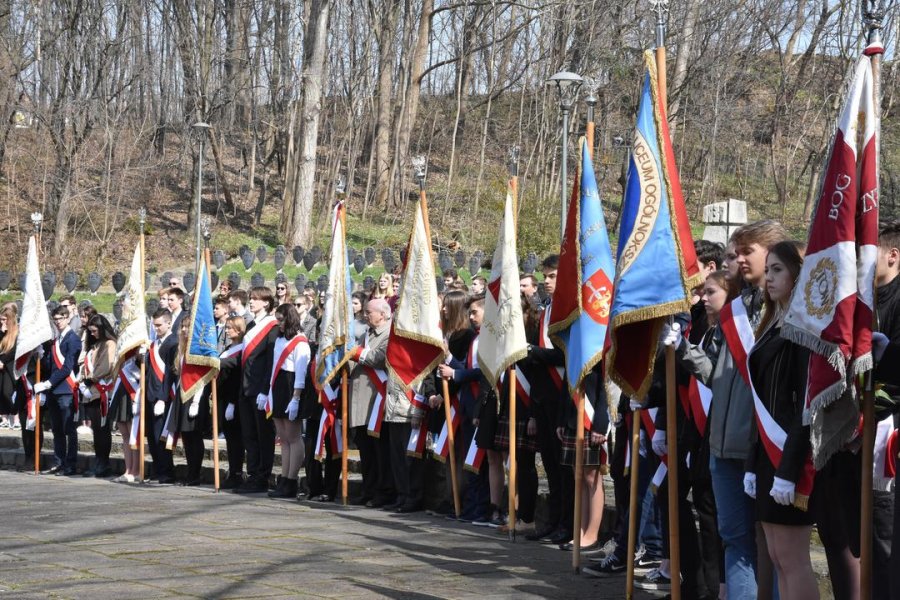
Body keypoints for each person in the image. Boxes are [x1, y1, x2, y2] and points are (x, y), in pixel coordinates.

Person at [671, 220, 786, 598]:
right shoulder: (737, 309)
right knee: (734, 539)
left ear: (772, 251)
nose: (737, 258)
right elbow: (716, 376)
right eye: (736, 252)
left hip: (759, 446)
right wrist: (684, 351)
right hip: (722, 445)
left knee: (772, 550)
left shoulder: (783, 309)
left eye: (745, 251)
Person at [741, 240, 817, 599]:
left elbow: (804, 404)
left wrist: (788, 470)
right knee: (775, 554)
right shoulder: (774, 322)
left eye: (777, 270)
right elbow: (762, 400)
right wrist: (753, 464)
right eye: (767, 269)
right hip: (768, 455)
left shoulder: (804, 328)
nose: (768, 277)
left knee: (792, 559)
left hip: (791, 455)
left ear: (797, 274)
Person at [522, 254, 569, 543]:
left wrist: (532, 352)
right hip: (542, 393)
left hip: (561, 392)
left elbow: (567, 354)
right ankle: (552, 520)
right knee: (549, 463)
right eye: (546, 277)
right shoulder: (548, 308)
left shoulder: (567, 310)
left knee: (563, 466)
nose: (547, 282)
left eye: (553, 276)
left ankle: (566, 522)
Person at [426, 290, 476, 517]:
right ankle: (449, 497)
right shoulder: (446, 334)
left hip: (458, 399)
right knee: (448, 454)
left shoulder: (466, 336)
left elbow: (464, 370)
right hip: (443, 398)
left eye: (447, 306)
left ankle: (460, 499)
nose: (443, 310)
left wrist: (445, 394)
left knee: (460, 453)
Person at [347, 298, 392, 506]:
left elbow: (378, 358)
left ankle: (381, 492)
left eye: (369, 312)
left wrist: (354, 352)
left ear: (382, 314)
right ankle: (368, 489)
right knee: (365, 450)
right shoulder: (368, 333)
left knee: (379, 451)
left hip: (376, 399)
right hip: (360, 400)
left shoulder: (389, 333)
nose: (365, 315)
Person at [235, 286, 279, 493]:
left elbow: (270, 361)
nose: (251, 302)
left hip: (260, 389)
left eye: (255, 299)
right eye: (251, 299)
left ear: (266, 303)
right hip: (245, 388)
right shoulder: (252, 324)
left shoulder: (272, 327)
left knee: (263, 436)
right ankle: (252, 474)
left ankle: (263, 476)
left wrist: (264, 389)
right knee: (249, 435)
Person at [266, 303, 310, 498]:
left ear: (290, 319)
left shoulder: (300, 342)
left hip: (292, 387)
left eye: (281, 319)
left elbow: (301, 372)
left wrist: (296, 398)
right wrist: (267, 391)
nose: (278, 323)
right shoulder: (279, 339)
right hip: (278, 387)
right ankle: (283, 478)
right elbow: (274, 364)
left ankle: (292, 480)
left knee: (293, 436)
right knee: (283, 438)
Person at [34, 305, 82, 475]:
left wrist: (47, 383)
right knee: (56, 429)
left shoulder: (73, 339)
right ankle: (59, 461)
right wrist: (42, 355)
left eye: (61, 318)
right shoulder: (56, 341)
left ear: (68, 318)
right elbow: (52, 366)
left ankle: (70, 464)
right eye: (55, 319)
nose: (57, 322)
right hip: (54, 390)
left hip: (66, 389)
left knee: (69, 429)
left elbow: (67, 367)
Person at [167, 315, 208, 486]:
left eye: (187, 326)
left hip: (195, 396)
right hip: (182, 396)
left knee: (195, 436)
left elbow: (202, 377)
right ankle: (191, 473)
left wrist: (197, 402)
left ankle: (195, 474)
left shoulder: (199, 349)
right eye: (182, 326)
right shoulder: (181, 348)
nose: (184, 330)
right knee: (186, 436)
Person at [77, 314, 117, 478]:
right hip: (91, 392)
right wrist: (82, 379)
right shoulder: (93, 346)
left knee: (103, 429)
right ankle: (98, 460)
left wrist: (89, 379)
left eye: (94, 331)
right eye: (90, 331)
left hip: (101, 392)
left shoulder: (110, 344)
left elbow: (106, 366)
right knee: (96, 430)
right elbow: (84, 365)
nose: (92, 334)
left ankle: (104, 463)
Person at [145, 308, 177, 484]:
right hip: (150, 395)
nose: (156, 328)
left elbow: (171, 374)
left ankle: (167, 471)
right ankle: (157, 469)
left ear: (168, 323)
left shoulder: (173, 343)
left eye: (159, 325)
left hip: (163, 397)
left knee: (161, 436)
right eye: (154, 325)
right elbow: (149, 371)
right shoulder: (154, 344)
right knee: (151, 436)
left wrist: (163, 399)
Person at [217, 315, 246, 488]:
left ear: (239, 329)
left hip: (233, 399)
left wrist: (233, 403)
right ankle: (232, 470)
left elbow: (237, 377)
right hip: (222, 398)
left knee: (236, 439)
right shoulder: (229, 347)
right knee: (229, 438)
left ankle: (236, 472)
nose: (226, 330)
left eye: (230, 327)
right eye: (226, 327)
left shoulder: (242, 350)